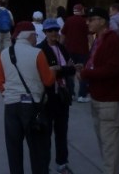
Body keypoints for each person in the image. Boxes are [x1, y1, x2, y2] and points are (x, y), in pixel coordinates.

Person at [0, 21, 55, 174]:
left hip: (11, 106)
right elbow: (48, 80)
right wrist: (54, 70)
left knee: (14, 148)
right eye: (35, 35)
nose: (36, 39)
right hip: (32, 106)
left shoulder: (4, 53)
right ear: (29, 36)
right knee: (37, 150)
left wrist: (8, 94)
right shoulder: (37, 53)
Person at [79, 7, 119, 174]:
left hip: (110, 100)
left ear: (102, 21)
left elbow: (113, 69)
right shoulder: (98, 39)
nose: (88, 22)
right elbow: (96, 64)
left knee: (110, 150)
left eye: (91, 19)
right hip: (98, 98)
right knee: (105, 147)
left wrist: (87, 73)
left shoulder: (112, 40)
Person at [37, 19, 76, 174]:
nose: (54, 33)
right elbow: (46, 72)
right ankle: (43, 165)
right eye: (50, 30)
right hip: (48, 97)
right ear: (45, 32)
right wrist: (64, 69)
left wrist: (62, 69)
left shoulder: (62, 48)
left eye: (56, 30)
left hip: (62, 96)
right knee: (45, 134)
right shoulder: (40, 50)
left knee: (62, 131)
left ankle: (62, 162)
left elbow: (69, 70)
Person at [60, 3, 89, 102]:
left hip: (69, 50)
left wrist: (60, 47)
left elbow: (63, 35)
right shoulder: (84, 22)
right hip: (83, 50)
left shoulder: (68, 20)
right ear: (81, 11)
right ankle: (82, 95)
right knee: (83, 72)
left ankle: (71, 93)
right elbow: (89, 36)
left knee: (70, 72)